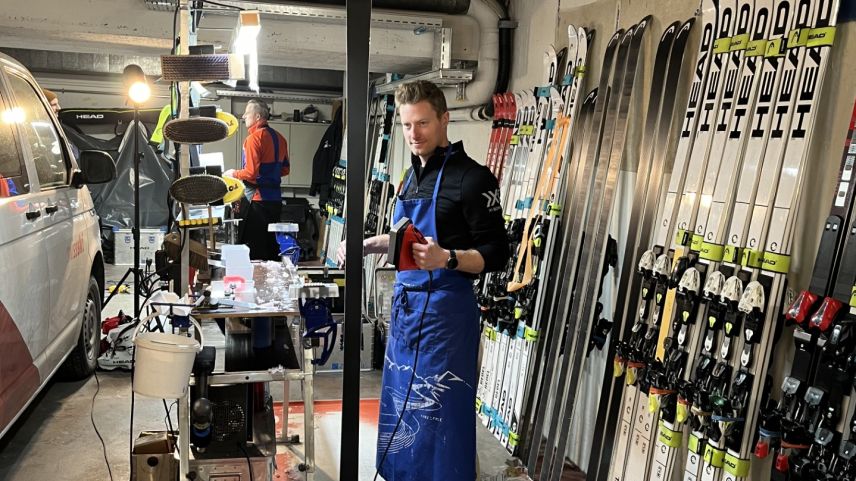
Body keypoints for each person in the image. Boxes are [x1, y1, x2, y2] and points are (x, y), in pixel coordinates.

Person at [337, 80, 508, 480]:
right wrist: (367, 244)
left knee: (438, 410)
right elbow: (405, 238)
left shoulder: (473, 179)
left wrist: (445, 258)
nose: (414, 134)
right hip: (407, 311)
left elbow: (498, 254)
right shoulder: (411, 176)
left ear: (445, 119)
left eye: (423, 123)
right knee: (402, 403)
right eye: (407, 125)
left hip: (446, 318)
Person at [225, 99, 290, 260]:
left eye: (247, 113)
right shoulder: (281, 138)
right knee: (271, 249)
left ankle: (255, 284)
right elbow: (285, 169)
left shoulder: (253, 139)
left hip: (257, 203)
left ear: (258, 116)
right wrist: (269, 176)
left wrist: (233, 173)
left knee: (253, 252)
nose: (243, 116)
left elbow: (251, 173)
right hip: (275, 202)